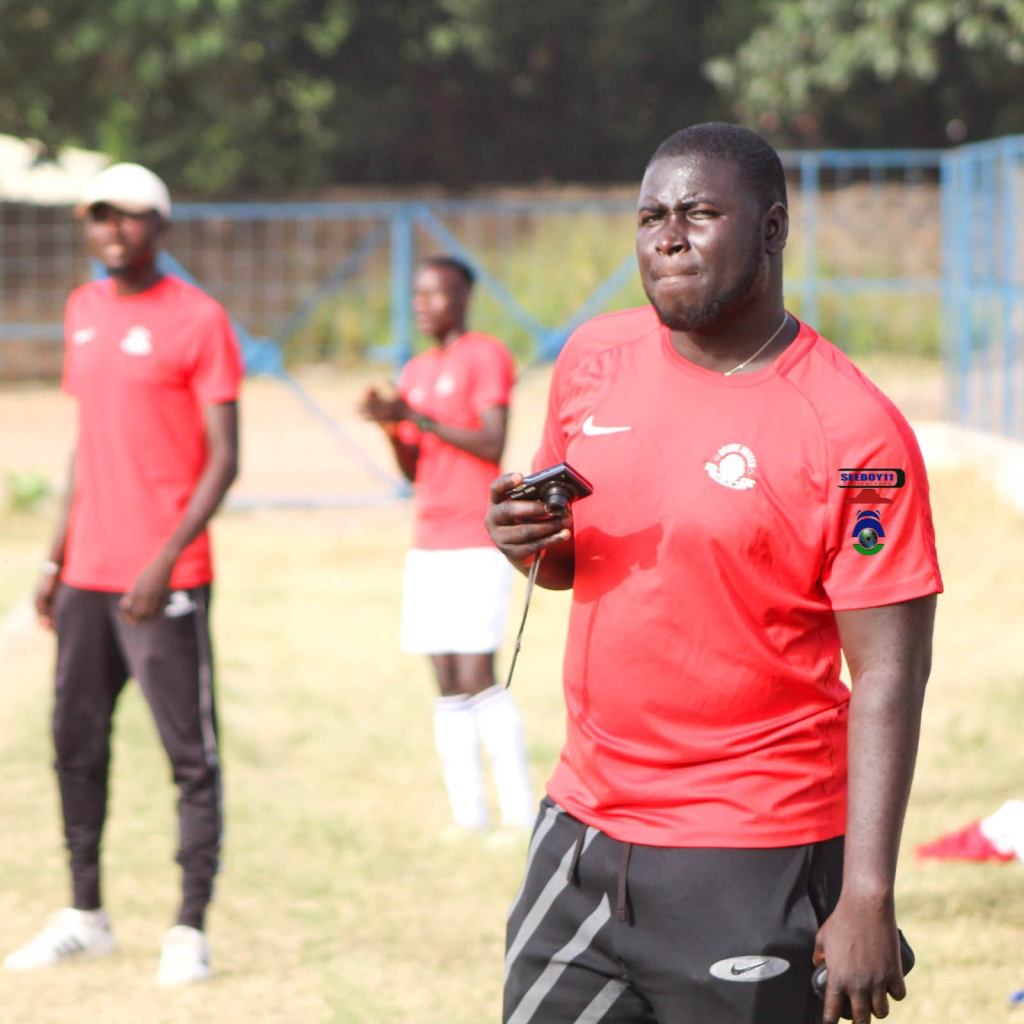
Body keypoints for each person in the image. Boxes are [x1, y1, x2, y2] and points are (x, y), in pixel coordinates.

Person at [486, 123, 942, 1024]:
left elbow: (891, 671)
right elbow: (570, 563)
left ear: (772, 229)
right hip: (580, 832)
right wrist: (525, 539)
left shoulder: (853, 430)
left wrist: (867, 895)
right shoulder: (593, 361)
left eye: (698, 213)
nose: (668, 237)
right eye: (650, 216)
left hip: (753, 851)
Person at [4, 163, 243, 986]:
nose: (112, 229)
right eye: (99, 216)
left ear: (160, 226)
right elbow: (88, 442)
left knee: (188, 756)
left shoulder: (199, 318)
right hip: (87, 576)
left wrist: (164, 560)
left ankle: (189, 929)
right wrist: (55, 554)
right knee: (74, 745)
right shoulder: (83, 309)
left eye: (128, 216)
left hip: (163, 580)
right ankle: (85, 915)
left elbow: (225, 459)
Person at [359, 255, 534, 836]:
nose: (423, 304)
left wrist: (419, 416)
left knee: (477, 672)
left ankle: (518, 813)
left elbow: (490, 442)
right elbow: (414, 467)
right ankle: (468, 817)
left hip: (476, 536)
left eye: (435, 293)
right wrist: (392, 425)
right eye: (418, 293)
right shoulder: (414, 370)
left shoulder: (485, 355)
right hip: (429, 540)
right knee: (443, 679)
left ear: (463, 298)